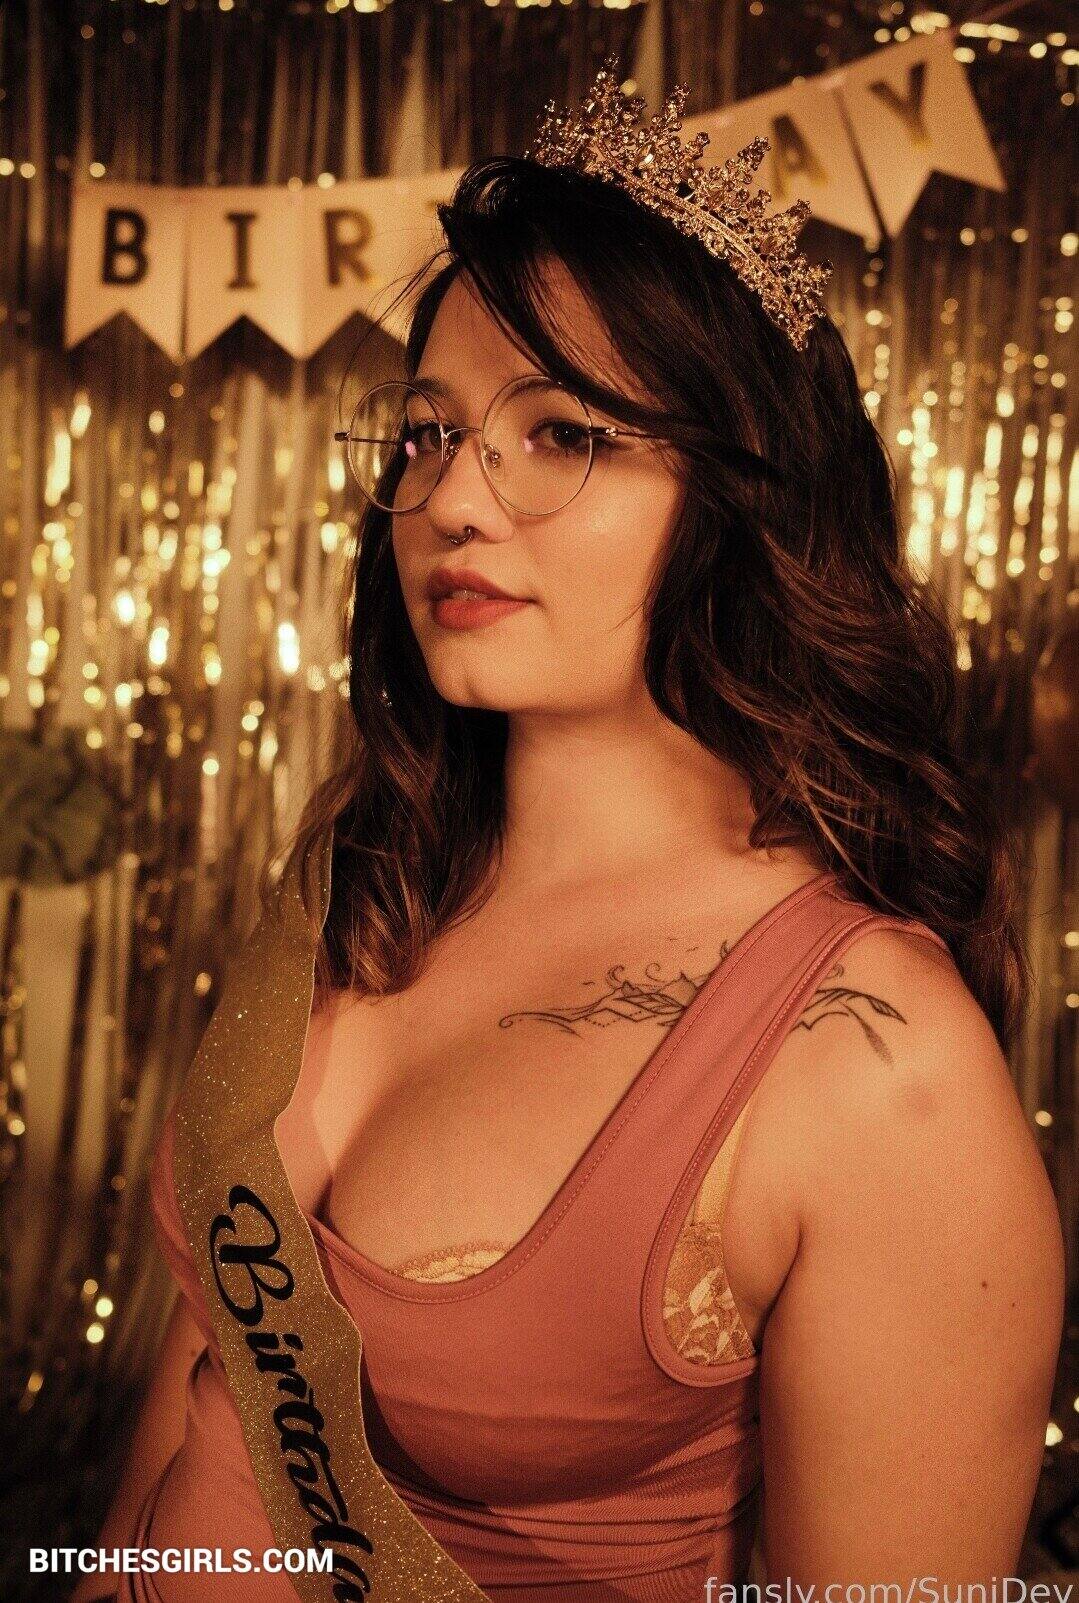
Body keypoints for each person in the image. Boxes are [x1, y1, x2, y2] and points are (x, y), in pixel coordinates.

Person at [75, 68, 1063, 1603]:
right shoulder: (364, 884)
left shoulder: (875, 1062)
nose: (455, 500)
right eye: (429, 434)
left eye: (561, 434)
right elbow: (194, 1423)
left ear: (743, 498)